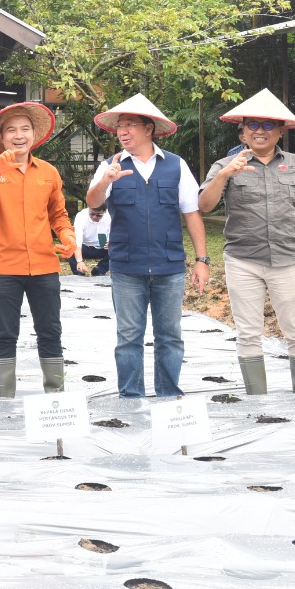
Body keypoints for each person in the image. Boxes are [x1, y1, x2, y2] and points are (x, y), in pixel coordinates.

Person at [197, 89, 295, 394]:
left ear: (280, 131)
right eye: (253, 124)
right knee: (248, 332)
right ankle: (256, 401)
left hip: (289, 260)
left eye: (268, 125)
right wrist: (224, 175)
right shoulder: (225, 165)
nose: (260, 131)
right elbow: (204, 206)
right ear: (242, 131)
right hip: (243, 260)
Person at [85, 94, 210, 399]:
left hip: (169, 266)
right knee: (129, 337)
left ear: (149, 129)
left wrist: (202, 259)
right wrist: (105, 181)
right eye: (119, 126)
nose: (122, 131)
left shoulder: (176, 165)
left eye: (130, 125)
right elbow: (93, 203)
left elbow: (192, 213)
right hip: (127, 266)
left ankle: (169, 397)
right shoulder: (110, 166)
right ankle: (130, 398)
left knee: (170, 336)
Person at [0, 101, 73, 397]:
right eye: (11, 130)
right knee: (5, 333)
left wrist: (67, 235)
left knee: (51, 331)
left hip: (44, 266)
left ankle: (55, 396)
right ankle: (5, 396)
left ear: (34, 134)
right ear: (1, 137)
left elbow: (58, 214)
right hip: (3, 267)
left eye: (25, 129)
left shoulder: (48, 172)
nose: (18, 135)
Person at [70, 204, 111, 276]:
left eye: (99, 215)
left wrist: (111, 242)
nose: (94, 217)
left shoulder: (110, 216)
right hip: (84, 246)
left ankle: (100, 270)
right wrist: (79, 261)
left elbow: (115, 234)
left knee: (118, 247)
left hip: (101, 247)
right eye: (92, 214)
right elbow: (77, 241)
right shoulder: (81, 216)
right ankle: (78, 273)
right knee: (69, 246)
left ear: (105, 211)